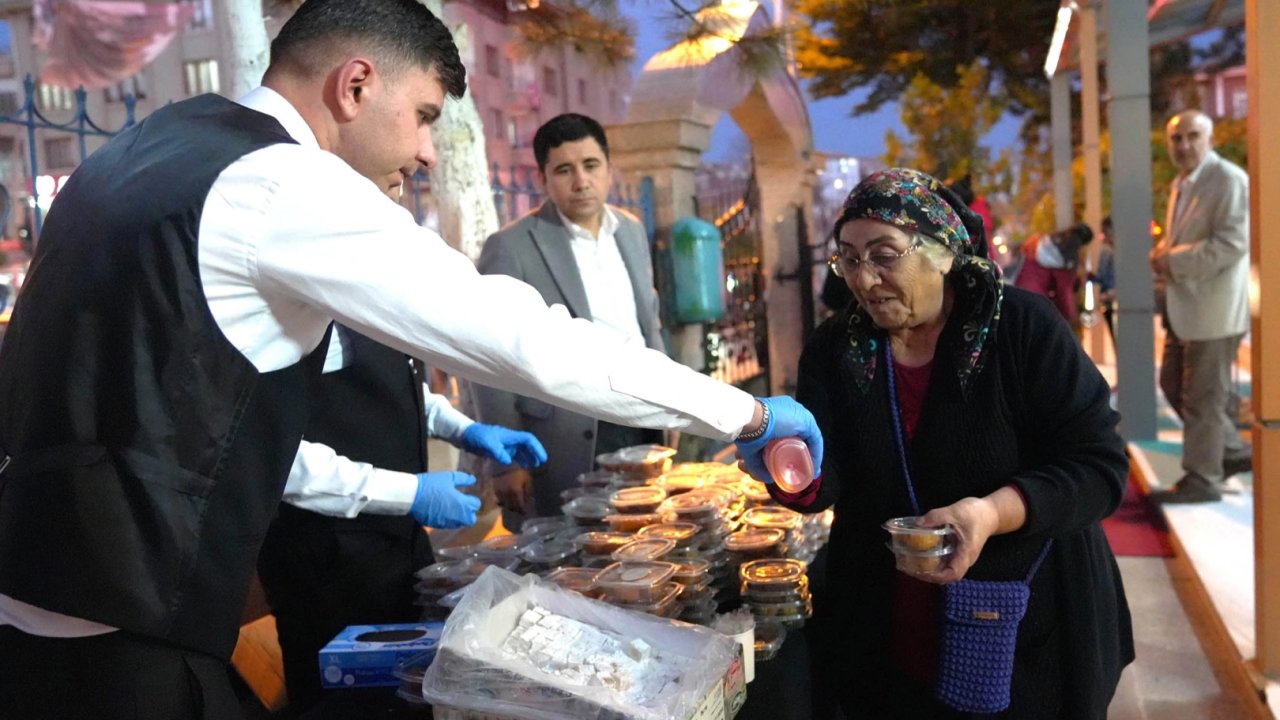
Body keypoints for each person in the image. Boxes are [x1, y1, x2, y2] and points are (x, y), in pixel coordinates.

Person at [0, 1, 822, 717]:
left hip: (39, 605)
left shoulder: (145, 146)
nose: (429, 151)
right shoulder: (283, 183)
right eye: (426, 113)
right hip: (134, 632)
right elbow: (519, 336)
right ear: (355, 86)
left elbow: (194, 416)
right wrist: (745, 412)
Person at [773, 168, 1133, 718]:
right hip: (888, 620)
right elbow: (827, 481)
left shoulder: (1020, 329)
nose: (864, 280)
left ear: (944, 252)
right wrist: (783, 458)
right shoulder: (835, 349)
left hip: (1028, 618)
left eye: (884, 254)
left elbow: (1100, 466)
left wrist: (991, 513)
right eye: (847, 257)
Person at [256, 322, 545, 715]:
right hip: (323, 565)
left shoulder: (363, 295)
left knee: (414, 692)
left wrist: (463, 428)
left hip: (399, 546)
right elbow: (278, 457)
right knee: (346, 707)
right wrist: (410, 493)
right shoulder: (274, 317)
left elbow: (398, 386)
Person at [470, 113, 664, 525]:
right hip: (563, 435)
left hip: (640, 416)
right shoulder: (511, 247)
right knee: (570, 563)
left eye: (591, 166)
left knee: (643, 546)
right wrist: (505, 461)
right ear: (543, 179)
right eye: (564, 170)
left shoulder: (629, 232)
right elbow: (488, 352)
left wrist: (668, 403)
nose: (581, 181)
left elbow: (649, 323)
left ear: (610, 170)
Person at [1149, 110, 1251, 504]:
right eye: (1177, 138)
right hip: (1187, 306)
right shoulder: (1184, 183)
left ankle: (1203, 478)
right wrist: (1165, 252)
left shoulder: (1227, 179)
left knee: (1203, 397)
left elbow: (1231, 243)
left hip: (1215, 309)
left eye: (1193, 136)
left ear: (1210, 139)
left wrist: (1171, 260)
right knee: (1173, 386)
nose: (1184, 145)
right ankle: (1233, 451)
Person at [1012, 222, 1094, 327]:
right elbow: (1065, 294)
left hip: (1018, 295)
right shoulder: (1066, 259)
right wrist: (1072, 320)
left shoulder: (1038, 242)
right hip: (1037, 305)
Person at [1094, 216, 1116, 342]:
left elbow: (1100, 276)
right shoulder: (1110, 251)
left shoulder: (1105, 251)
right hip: (1113, 299)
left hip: (1109, 299)